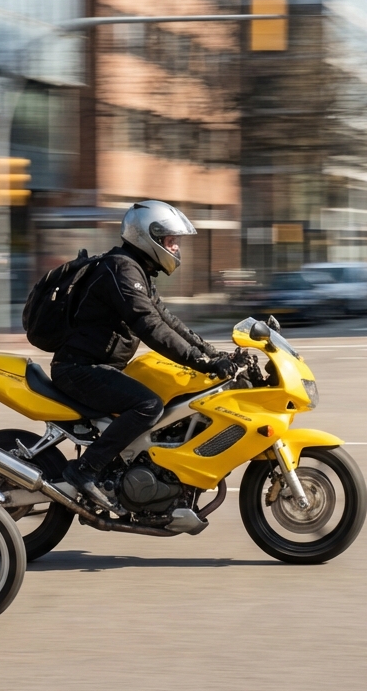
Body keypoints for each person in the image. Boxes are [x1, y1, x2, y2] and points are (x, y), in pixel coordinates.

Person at [52, 200, 238, 511]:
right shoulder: (120, 270)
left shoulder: (135, 270)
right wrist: (200, 361)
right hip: (79, 369)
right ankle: (84, 470)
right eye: (170, 240)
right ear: (147, 237)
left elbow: (168, 321)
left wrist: (213, 354)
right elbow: (150, 326)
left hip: (98, 367)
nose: (175, 248)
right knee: (148, 405)